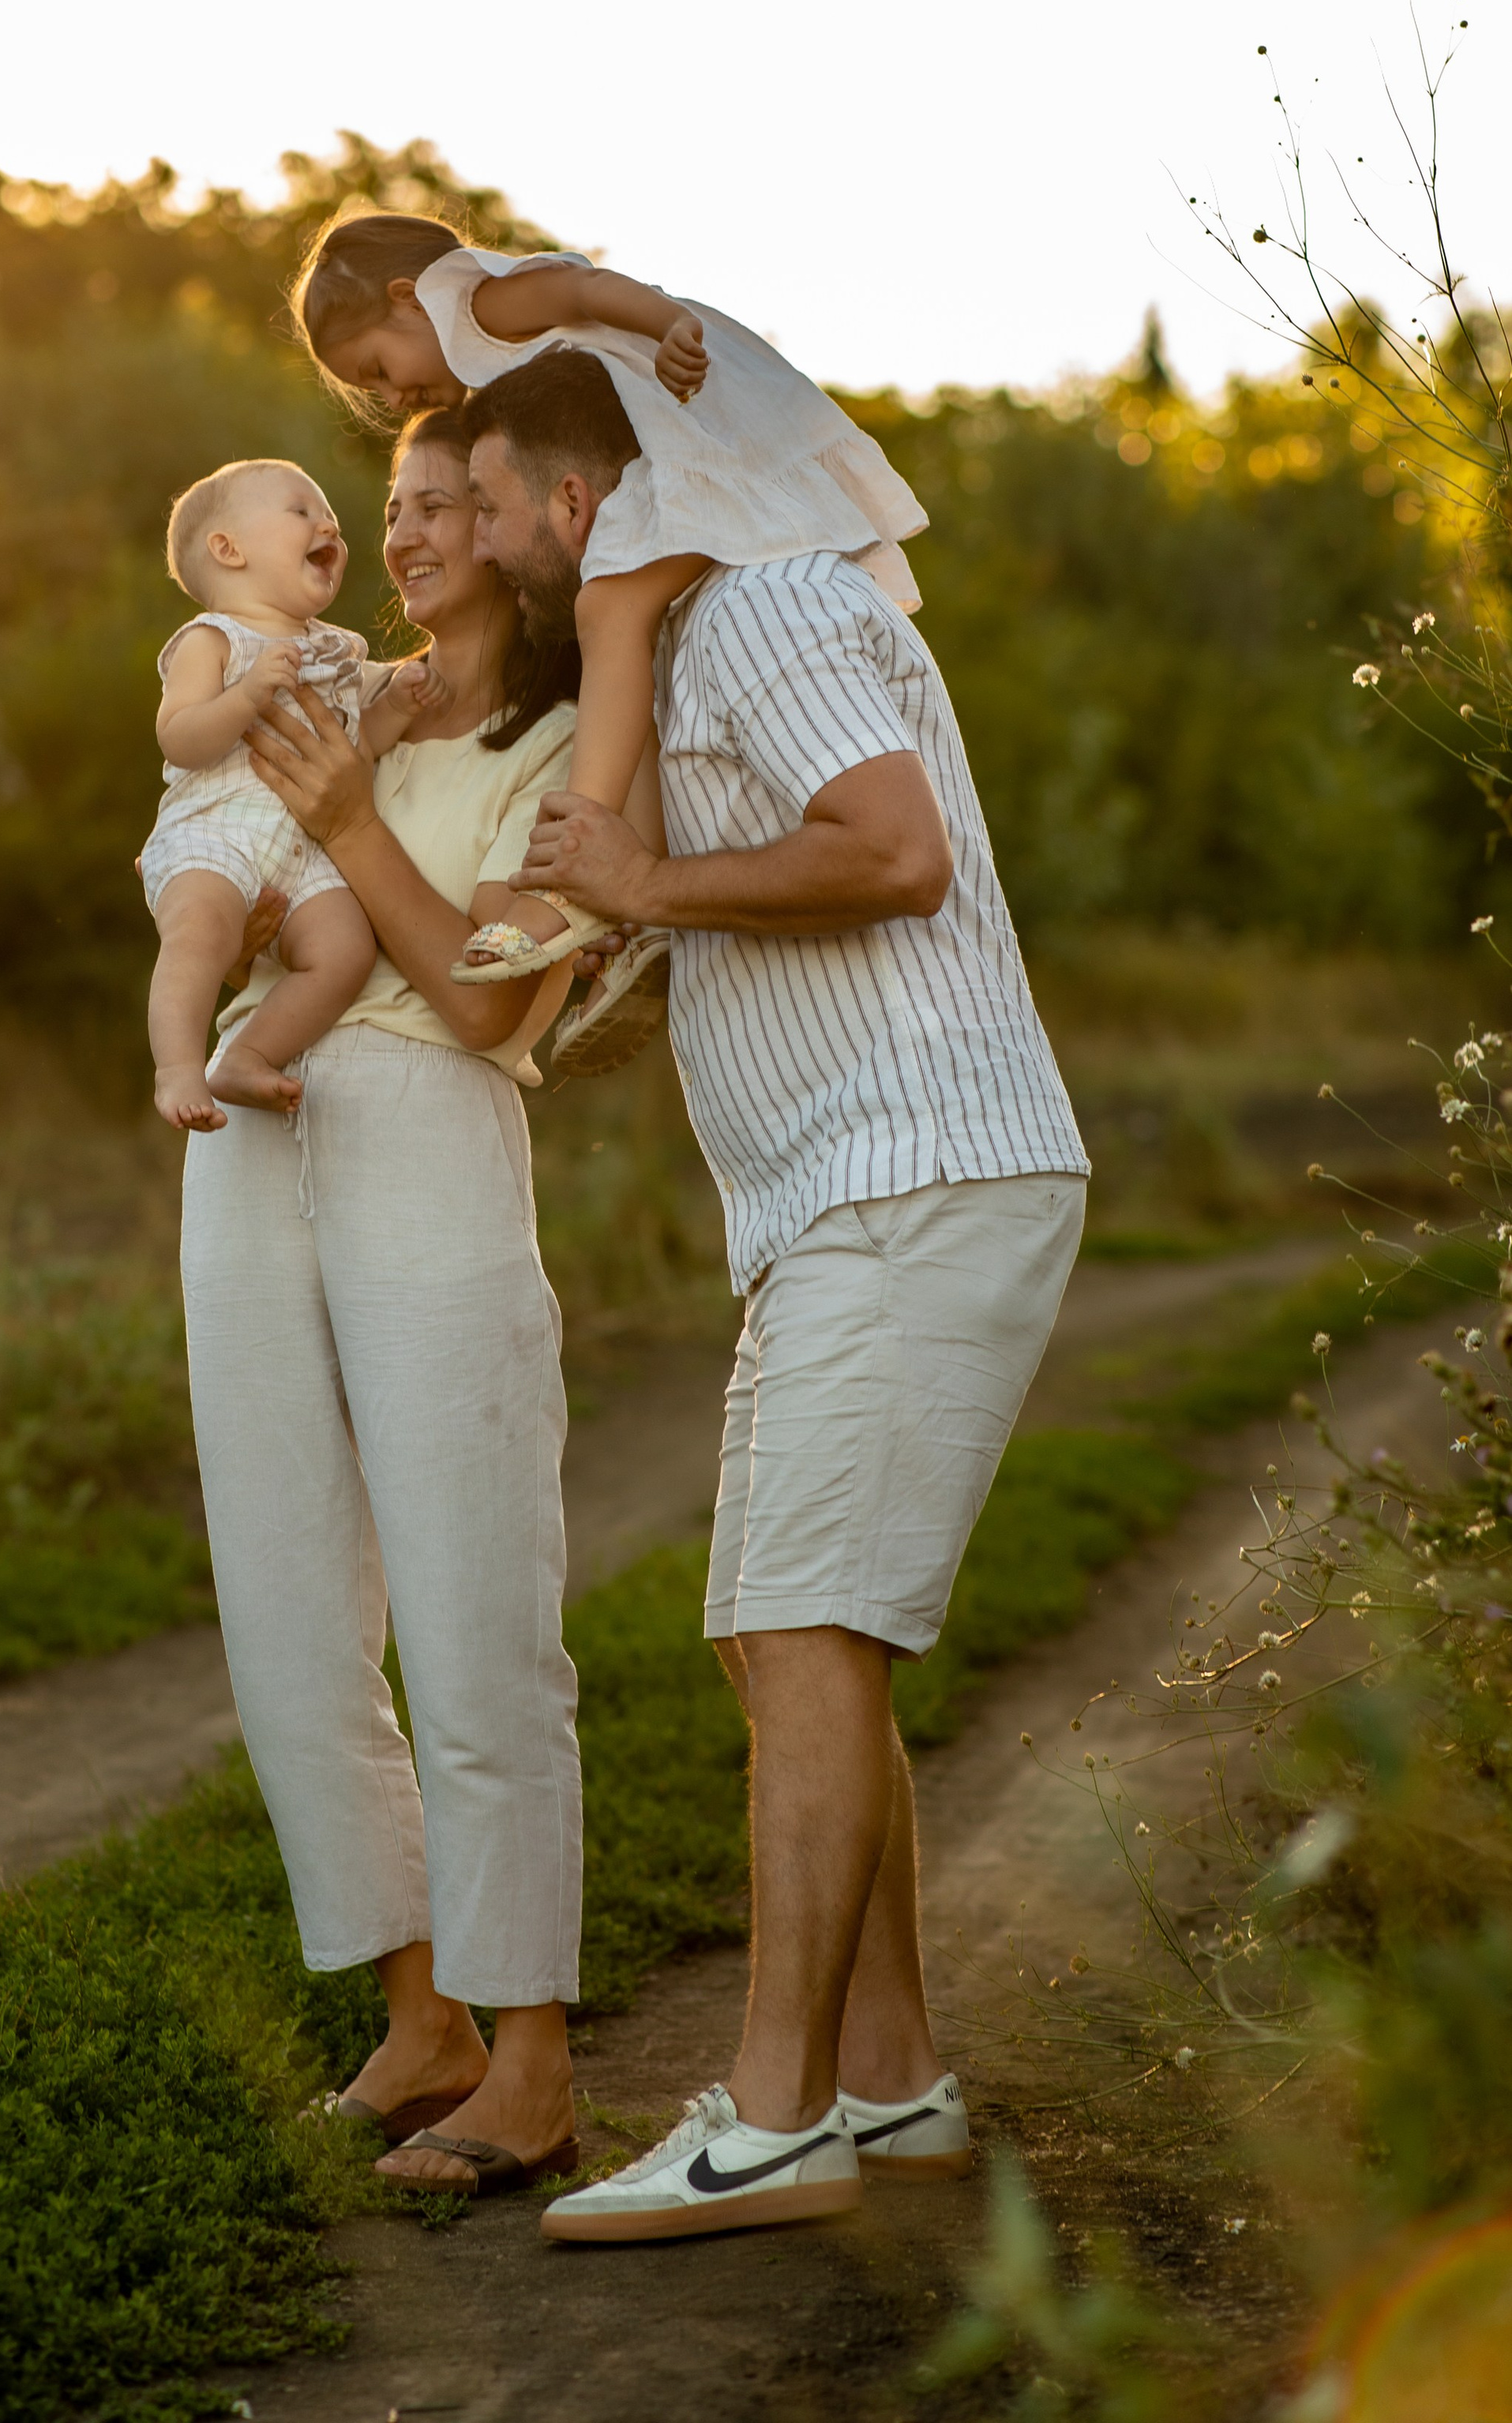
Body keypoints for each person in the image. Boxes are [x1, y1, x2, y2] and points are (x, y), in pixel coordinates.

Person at [450, 346, 1090, 2245]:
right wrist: (621, 907)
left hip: (912, 1167)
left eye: (491, 506)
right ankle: (885, 2087)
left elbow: (889, 851)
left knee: (808, 1627)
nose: (482, 547)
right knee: (774, 1637)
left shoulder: (766, 606)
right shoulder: (701, 647)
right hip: (838, 1196)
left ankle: (774, 2113)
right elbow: (725, 889)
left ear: (580, 503)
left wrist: (643, 873)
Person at [173, 405, 587, 2200]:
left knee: (472, 1595)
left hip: (428, 1114)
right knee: (283, 1603)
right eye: (393, 501)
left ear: (514, 526)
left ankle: (536, 2058)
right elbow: (217, 850)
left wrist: (344, 818)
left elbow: (494, 996)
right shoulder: (330, 684)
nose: (405, 531)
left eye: (444, 504)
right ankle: (417, 2015)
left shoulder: (573, 735)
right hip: (257, 1120)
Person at [291, 214, 928, 996]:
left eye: (378, 368)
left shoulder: (477, 305)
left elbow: (584, 285)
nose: (390, 396)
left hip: (697, 450)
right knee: (627, 669)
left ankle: (566, 880)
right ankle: (634, 912)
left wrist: (667, 327)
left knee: (608, 619)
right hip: (686, 458)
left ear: (404, 299)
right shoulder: (486, 368)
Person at [141, 457, 441, 1130]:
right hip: (213, 835)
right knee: (200, 935)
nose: (326, 522)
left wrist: (395, 708)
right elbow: (178, 737)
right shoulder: (213, 641)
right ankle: (179, 1068)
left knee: (346, 952)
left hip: (304, 854)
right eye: (300, 510)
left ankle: (246, 1055)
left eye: (327, 513)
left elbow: (352, 749)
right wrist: (246, 694)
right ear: (229, 549)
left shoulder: (337, 651)